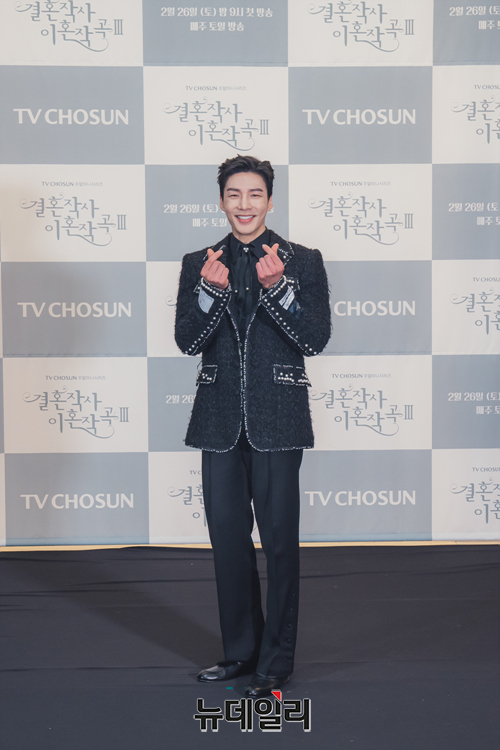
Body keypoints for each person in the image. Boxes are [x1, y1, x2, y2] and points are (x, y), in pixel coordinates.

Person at [174, 155, 331, 698]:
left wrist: (280, 289)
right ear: (221, 201)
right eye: (234, 194)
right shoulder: (199, 262)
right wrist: (210, 293)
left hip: (278, 420)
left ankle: (276, 662)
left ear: (270, 201)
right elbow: (187, 341)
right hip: (217, 420)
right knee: (227, 543)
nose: (244, 204)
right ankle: (240, 652)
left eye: (255, 194)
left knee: (280, 545)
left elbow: (314, 339)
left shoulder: (303, 261)